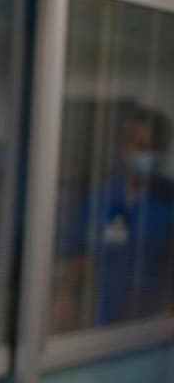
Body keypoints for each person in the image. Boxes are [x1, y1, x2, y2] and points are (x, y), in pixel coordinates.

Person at [56, 103, 174, 331]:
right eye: (142, 147)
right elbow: (82, 251)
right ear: (124, 145)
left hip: (156, 325)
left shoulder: (168, 199)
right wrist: (67, 295)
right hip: (106, 320)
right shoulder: (104, 197)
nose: (149, 156)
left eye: (156, 149)